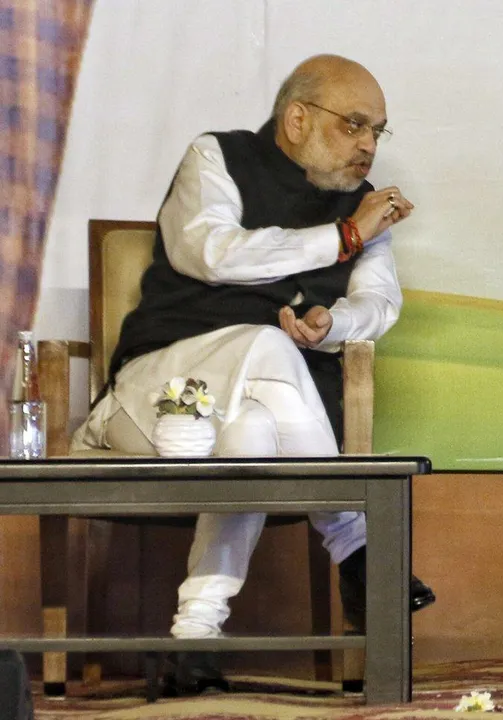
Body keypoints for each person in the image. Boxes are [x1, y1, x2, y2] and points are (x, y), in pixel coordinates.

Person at [73, 54, 436, 693]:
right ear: (297, 118)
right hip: (157, 400)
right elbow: (210, 251)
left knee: (253, 434)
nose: (367, 145)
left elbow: (379, 303)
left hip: (259, 422)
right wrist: (343, 237)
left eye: (378, 131)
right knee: (268, 346)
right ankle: (355, 544)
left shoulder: (363, 209)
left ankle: (194, 639)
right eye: (354, 125)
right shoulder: (216, 157)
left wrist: (336, 323)